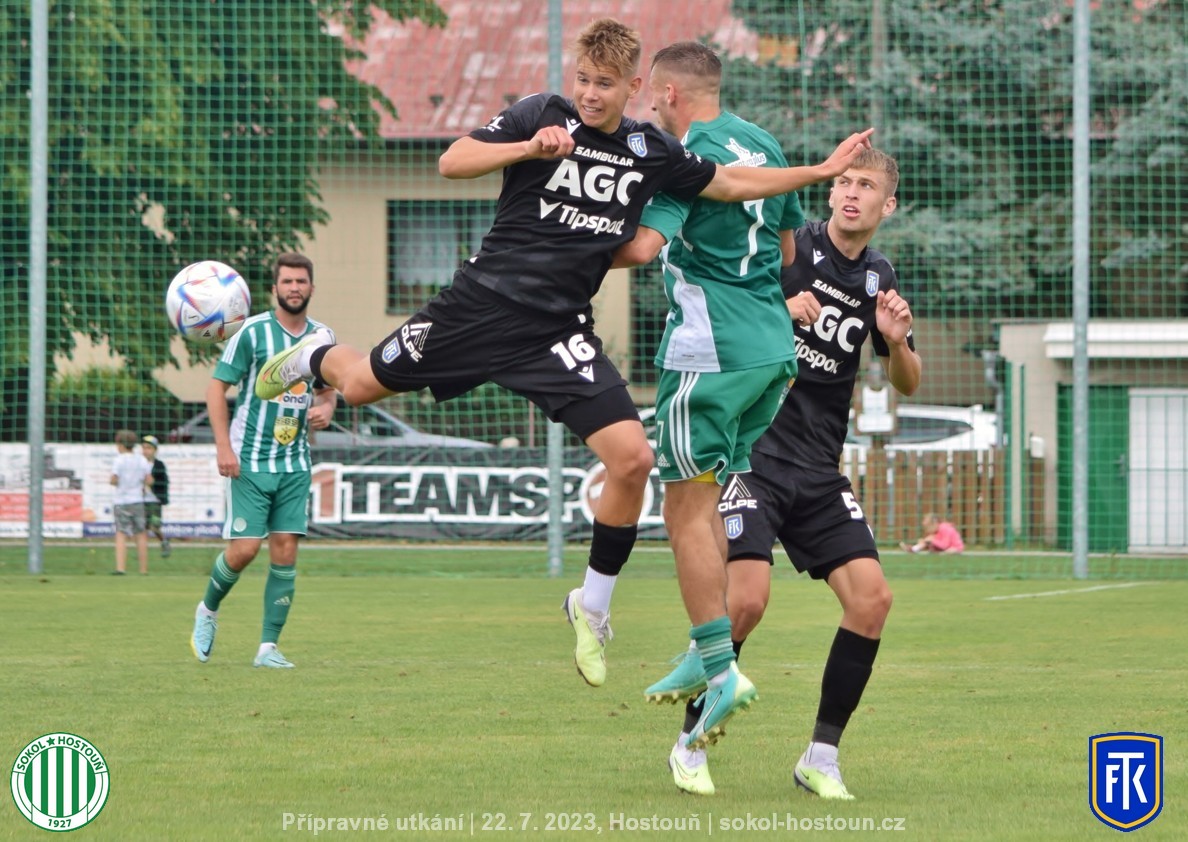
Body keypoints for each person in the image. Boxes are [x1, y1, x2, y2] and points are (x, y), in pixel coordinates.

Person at [252, 18, 873, 688]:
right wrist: (525, 147)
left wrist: (822, 170)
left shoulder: (649, 148)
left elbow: (727, 184)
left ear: (636, 86)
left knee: (633, 459)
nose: (590, 94)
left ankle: (592, 606)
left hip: (556, 332)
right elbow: (451, 160)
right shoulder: (541, 114)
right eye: (583, 79)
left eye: (605, 84)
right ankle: (312, 355)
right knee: (362, 383)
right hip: (478, 308)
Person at [646, 147, 919, 799]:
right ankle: (688, 746)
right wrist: (777, 308)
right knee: (746, 602)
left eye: (867, 186)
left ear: (889, 205)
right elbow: (730, 293)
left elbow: (906, 382)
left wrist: (898, 339)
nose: (851, 193)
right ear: (830, 192)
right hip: (754, 457)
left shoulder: (879, 276)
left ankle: (820, 758)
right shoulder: (791, 250)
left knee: (872, 600)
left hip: (819, 471)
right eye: (845, 182)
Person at [608, 41, 805, 787]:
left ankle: (717, 663)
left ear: (667, 94)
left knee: (682, 507)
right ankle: (709, 647)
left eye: (650, 97)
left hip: (709, 351)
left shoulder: (681, 155)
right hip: (770, 354)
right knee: (706, 497)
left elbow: (643, 247)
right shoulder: (765, 145)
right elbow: (786, 250)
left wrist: (567, 248)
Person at [189, 252, 337, 669]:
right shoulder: (251, 332)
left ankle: (267, 648)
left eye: (301, 282)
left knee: (285, 550)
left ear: (311, 288)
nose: (294, 288)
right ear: (274, 289)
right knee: (244, 550)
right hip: (250, 460)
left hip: (295, 463)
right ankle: (208, 610)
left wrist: (327, 408)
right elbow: (217, 388)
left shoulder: (323, 336)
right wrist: (223, 447)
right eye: (287, 282)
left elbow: (328, 389)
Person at [110, 428, 152, 575]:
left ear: (120, 444)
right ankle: (143, 569)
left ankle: (121, 568)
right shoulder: (141, 460)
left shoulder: (118, 460)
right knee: (140, 534)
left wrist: (116, 482)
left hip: (122, 500)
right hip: (138, 500)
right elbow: (149, 480)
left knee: (121, 533)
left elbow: (114, 479)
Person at [141, 435, 171, 558]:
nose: (145, 451)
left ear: (155, 450)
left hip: (154, 501)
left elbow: (164, 482)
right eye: (144, 448)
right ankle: (142, 551)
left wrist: (153, 483)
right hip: (140, 500)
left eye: (149, 448)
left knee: (154, 526)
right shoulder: (138, 463)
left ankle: (164, 541)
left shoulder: (159, 465)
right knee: (142, 527)